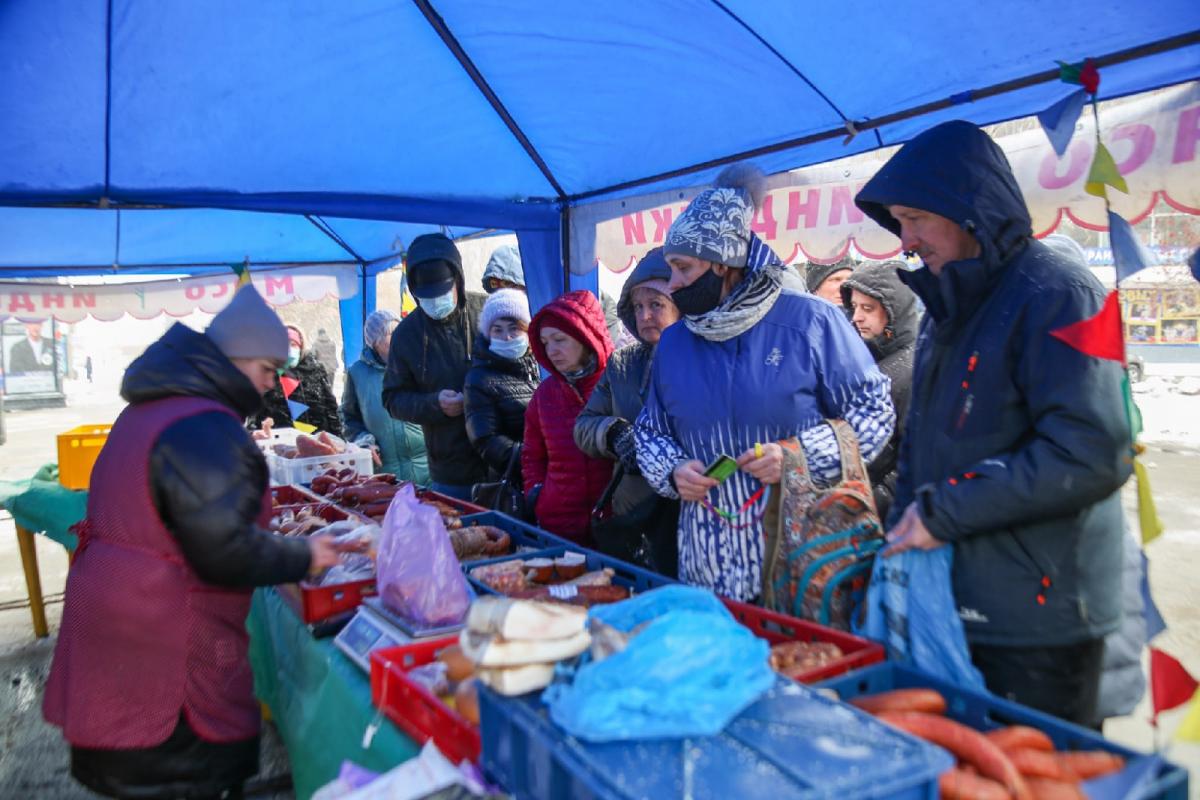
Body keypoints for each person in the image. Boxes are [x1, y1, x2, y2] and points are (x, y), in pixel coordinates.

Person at [855, 120, 1132, 725]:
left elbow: (1092, 450)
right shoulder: (945, 309)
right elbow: (923, 446)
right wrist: (898, 527)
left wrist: (942, 511)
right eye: (898, 221)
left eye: (916, 218)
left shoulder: (1061, 292)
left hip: (1040, 618)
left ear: (969, 210)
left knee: (1032, 776)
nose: (906, 238)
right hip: (955, 598)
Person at [43, 286, 340, 800]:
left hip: (121, 612)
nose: (271, 384)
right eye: (269, 369)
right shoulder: (200, 423)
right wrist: (306, 554)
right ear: (239, 359)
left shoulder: (152, 409)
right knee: (177, 770)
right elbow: (222, 549)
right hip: (163, 632)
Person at [636, 165, 895, 601]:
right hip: (706, 565)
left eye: (683, 268)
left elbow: (874, 412)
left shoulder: (812, 321)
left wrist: (798, 458)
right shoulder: (676, 342)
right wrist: (673, 469)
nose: (673, 283)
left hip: (798, 562)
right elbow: (649, 430)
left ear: (722, 264)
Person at [575, 248, 681, 576]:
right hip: (631, 515)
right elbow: (583, 425)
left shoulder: (704, 362)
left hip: (684, 516)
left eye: (656, 305)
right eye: (637, 306)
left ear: (682, 307)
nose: (644, 315)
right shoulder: (622, 364)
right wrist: (614, 433)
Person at [383, 233, 488, 500]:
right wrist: (435, 404)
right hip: (450, 469)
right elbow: (393, 398)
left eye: (443, 291)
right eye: (426, 296)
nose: (436, 301)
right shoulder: (406, 335)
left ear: (458, 280)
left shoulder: (487, 313)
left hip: (502, 460)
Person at [523, 290, 615, 544]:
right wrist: (536, 493)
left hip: (613, 525)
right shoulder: (544, 395)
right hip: (558, 526)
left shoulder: (618, 384)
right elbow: (532, 454)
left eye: (559, 339)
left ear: (584, 337)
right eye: (545, 342)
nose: (551, 350)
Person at [840, 261, 919, 522]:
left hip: (881, 519)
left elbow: (915, 461)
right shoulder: (861, 360)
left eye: (868, 308)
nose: (856, 317)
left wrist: (873, 502)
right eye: (854, 307)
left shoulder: (913, 369)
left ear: (894, 310)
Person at [341, 310, 430, 484]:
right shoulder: (357, 373)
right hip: (386, 473)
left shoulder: (420, 363)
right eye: (391, 334)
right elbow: (348, 417)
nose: (399, 338)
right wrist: (363, 440)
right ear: (375, 342)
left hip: (428, 469)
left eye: (400, 331)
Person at [482, 241, 627, 347]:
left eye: (511, 286)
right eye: (496, 288)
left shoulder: (591, 304)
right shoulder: (502, 323)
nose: (505, 296)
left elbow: (609, 362)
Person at [464, 289, 540, 480]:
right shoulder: (479, 379)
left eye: (514, 328)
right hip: (515, 482)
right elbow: (486, 439)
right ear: (488, 334)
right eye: (498, 329)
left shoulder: (543, 367)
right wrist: (535, 462)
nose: (507, 337)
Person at [248, 325, 343, 436]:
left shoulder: (315, 370)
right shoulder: (265, 375)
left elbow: (331, 407)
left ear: (300, 347)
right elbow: (254, 417)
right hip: (280, 443)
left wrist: (338, 437)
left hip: (319, 441)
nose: (288, 349)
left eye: (293, 345)